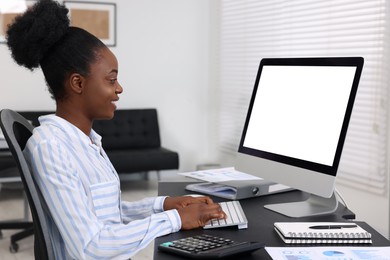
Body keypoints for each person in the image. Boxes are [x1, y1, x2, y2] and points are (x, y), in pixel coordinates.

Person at [6, 0, 226, 259]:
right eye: (111, 79)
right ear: (78, 83)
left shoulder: (85, 140)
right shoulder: (51, 147)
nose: (119, 88)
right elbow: (91, 247)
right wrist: (175, 220)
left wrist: (164, 205)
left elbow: (105, 213)